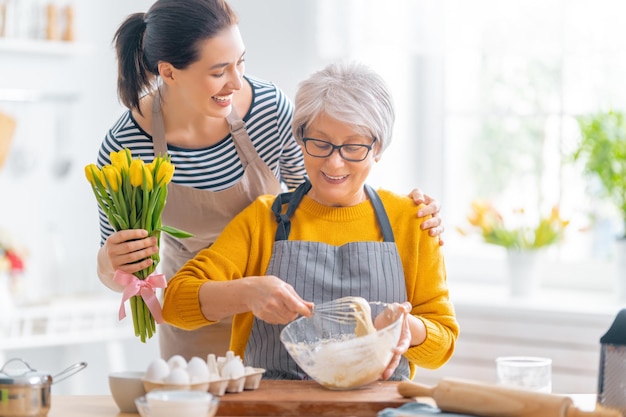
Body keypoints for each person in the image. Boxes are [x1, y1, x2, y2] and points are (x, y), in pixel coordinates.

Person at [95, 0, 445, 361]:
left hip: (278, 308)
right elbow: (121, 274)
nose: (236, 81)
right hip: (194, 312)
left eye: (241, 61)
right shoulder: (126, 147)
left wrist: (400, 213)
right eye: (219, 71)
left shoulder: (268, 110)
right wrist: (112, 260)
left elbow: (319, 191)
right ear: (168, 72)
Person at [162, 61, 458, 381]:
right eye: (320, 143)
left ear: (378, 148)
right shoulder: (265, 219)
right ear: (300, 139)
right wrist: (246, 293)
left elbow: (442, 345)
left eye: (353, 147)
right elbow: (175, 303)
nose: (334, 162)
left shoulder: (412, 222)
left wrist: (406, 329)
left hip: (378, 408)